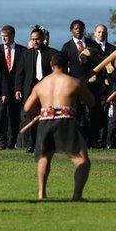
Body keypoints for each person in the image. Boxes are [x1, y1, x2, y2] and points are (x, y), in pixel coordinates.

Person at [23, 52, 94, 201]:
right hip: (65, 122)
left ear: (51, 65)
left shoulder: (40, 84)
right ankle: (77, 196)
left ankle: (41, 194)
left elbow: (27, 108)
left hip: (45, 123)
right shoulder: (74, 82)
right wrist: (84, 86)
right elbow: (91, 102)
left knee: (44, 157)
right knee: (83, 162)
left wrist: (42, 111)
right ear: (67, 65)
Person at [60, 20, 103, 148]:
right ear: (71, 30)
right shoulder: (66, 47)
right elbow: (62, 66)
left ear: (84, 29)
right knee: (77, 112)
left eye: (80, 28)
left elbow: (101, 60)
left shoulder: (93, 44)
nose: (78, 30)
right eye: (75, 28)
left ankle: (93, 140)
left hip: (91, 85)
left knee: (92, 112)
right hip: (74, 86)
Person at [15, 27, 58, 152]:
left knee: (47, 118)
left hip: (47, 92)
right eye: (32, 39)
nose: (35, 42)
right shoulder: (26, 54)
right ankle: (31, 144)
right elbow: (20, 73)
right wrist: (18, 89)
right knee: (30, 119)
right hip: (30, 92)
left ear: (43, 39)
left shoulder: (52, 54)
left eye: (37, 39)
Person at [0, 25, 26, 149]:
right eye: (2, 36)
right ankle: (1, 141)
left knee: (14, 116)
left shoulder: (22, 51)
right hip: (1, 90)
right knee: (0, 115)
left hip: (16, 90)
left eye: (6, 36)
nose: (3, 39)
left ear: (12, 35)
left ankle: (12, 142)